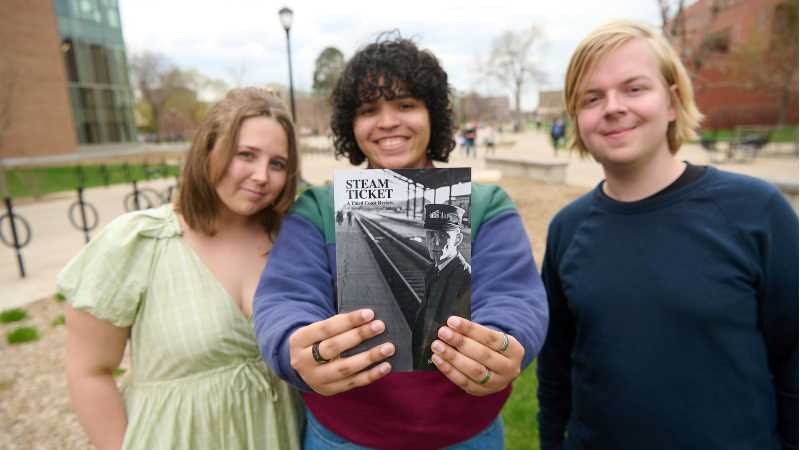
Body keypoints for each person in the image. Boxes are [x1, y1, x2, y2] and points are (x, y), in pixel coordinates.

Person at [253, 34, 548, 449]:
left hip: (465, 434)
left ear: (433, 115)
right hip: (345, 436)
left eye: (406, 105)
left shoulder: (485, 204)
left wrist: (503, 339)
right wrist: (294, 344)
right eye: (369, 110)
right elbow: (285, 295)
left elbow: (514, 295)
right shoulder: (318, 208)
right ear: (350, 126)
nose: (388, 121)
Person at [536, 21, 798, 450]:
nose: (613, 107)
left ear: (673, 102)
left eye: (635, 89)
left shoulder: (756, 211)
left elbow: (793, 360)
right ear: (577, 118)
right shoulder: (567, 228)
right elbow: (555, 367)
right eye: (592, 97)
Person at [57, 88, 304, 450]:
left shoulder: (294, 238)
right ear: (208, 150)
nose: (262, 175)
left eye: (277, 164)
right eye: (246, 155)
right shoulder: (138, 241)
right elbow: (88, 372)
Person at [411, 203, 471, 371]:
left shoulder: (466, 278)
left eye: (444, 236)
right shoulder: (433, 269)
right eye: (431, 235)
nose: (435, 243)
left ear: (458, 239)